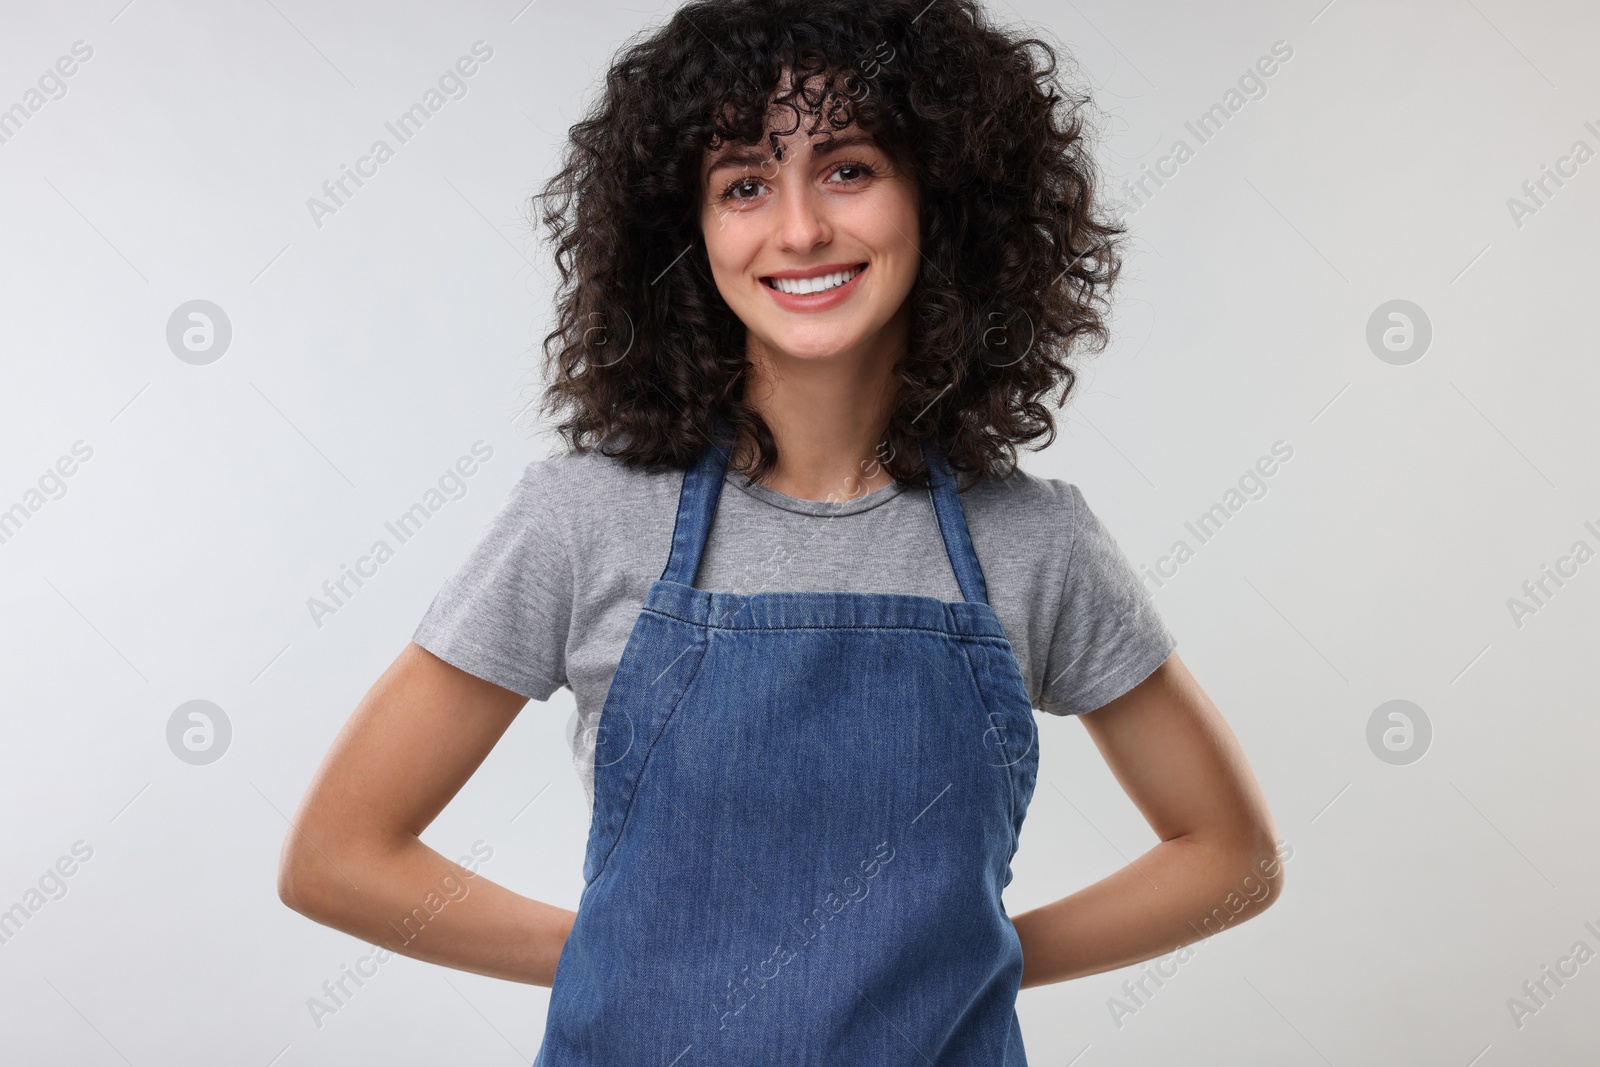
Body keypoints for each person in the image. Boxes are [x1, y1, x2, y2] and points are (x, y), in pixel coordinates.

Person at [277, 0, 1283, 1062]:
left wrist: (967, 953)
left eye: (848, 168)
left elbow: (1231, 856)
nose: (798, 229)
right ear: (688, 229)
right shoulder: (584, 520)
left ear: (941, 197)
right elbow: (339, 855)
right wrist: (625, 950)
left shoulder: (1031, 543)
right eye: (744, 184)